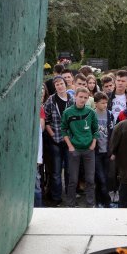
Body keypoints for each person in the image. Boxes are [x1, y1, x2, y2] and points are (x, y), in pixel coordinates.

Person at [61, 87, 99, 207]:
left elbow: (96, 130)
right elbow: (63, 130)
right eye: (80, 97)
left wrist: (93, 144)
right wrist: (70, 146)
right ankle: (70, 204)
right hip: (75, 149)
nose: (82, 99)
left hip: (88, 149)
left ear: (88, 99)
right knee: (72, 179)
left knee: (90, 179)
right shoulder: (67, 112)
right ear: (75, 97)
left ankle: (90, 204)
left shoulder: (91, 112)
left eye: (85, 97)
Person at [44, 76, 75, 206]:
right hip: (55, 140)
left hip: (69, 141)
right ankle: (57, 197)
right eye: (57, 84)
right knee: (56, 172)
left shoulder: (72, 100)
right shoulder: (51, 100)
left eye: (61, 83)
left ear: (65, 84)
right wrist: (52, 134)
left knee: (69, 170)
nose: (59, 86)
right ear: (55, 87)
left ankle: (69, 197)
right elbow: (46, 120)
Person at [93, 92, 114, 207]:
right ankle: (106, 202)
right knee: (100, 178)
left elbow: (112, 133)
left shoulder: (110, 114)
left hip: (106, 151)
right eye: (102, 103)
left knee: (105, 177)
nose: (105, 105)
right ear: (96, 103)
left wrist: (112, 150)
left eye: (106, 103)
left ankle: (101, 202)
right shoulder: (92, 114)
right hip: (96, 152)